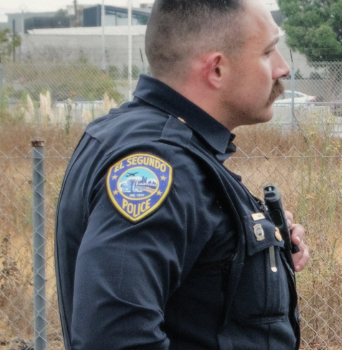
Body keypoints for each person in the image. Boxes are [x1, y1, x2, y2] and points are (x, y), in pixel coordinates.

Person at [53, 0, 312, 347]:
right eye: (268, 52)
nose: (283, 68)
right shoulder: (158, 162)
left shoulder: (141, 137)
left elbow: (194, 297)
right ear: (216, 69)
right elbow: (116, 336)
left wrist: (259, 254)